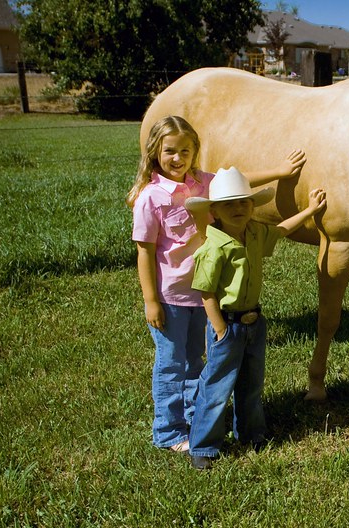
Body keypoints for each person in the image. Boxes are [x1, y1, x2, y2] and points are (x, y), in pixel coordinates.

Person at [129, 115, 306, 453]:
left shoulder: (202, 184)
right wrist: (151, 300)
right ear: (155, 152)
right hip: (172, 296)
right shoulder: (151, 198)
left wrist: (281, 172)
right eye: (170, 151)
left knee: (197, 362)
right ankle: (168, 431)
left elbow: (238, 182)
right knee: (171, 364)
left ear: (195, 152)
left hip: (205, 295)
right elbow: (144, 252)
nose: (178, 159)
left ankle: (197, 422)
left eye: (185, 151)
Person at [184, 167, 327, 469]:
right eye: (229, 204)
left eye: (244, 202)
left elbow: (282, 230)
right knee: (217, 387)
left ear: (252, 205)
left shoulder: (255, 233)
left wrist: (310, 211)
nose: (238, 209)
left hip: (254, 322)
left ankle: (251, 433)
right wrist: (220, 329)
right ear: (214, 211)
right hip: (228, 324)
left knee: (251, 382)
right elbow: (206, 292)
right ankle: (204, 446)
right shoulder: (214, 247)